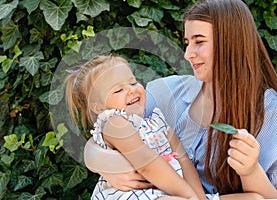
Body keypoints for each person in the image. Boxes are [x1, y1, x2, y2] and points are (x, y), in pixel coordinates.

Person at [83, 0, 277, 199]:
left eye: (199, 42)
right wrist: (103, 163)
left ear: (232, 41)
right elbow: (110, 130)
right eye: (187, 43)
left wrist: (250, 171)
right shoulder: (167, 91)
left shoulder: (270, 111)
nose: (187, 54)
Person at [64, 54, 206, 199]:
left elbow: (183, 159)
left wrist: (199, 196)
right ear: (99, 107)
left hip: (169, 192)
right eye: (118, 90)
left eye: (132, 83)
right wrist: (190, 196)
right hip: (132, 194)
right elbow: (147, 164)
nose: (132, 90)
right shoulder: (114, 123)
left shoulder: (157, 122)